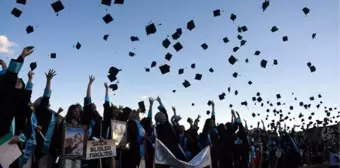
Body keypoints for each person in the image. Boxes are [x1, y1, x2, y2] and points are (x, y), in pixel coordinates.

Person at [0, 47, 33, 138]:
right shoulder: (5, 92)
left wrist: (30, 79)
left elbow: (28, 94)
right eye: (16, 81)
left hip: (11, 138)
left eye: (20, 82)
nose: (18, 82)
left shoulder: (22, 102)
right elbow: (10, 75)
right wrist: (22, 56)